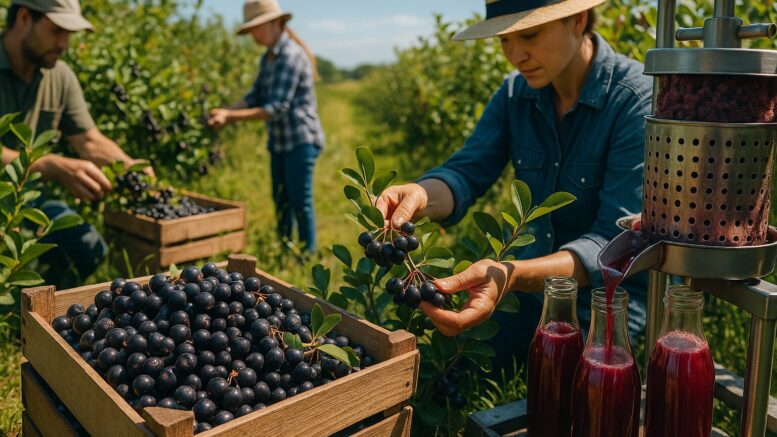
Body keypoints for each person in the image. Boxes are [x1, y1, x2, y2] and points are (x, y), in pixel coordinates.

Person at [376, 0, 652, 370]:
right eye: (505, 39)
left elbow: (612, 243)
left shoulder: (634, 100)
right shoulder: (514, 95)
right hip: (531, 291)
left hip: (608, 299)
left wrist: (510, 275)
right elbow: (466, 171)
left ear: (578, 20)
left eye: (530, 35)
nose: (515, 55)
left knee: (573, 387)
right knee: (453, 368)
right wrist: (421, 194)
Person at [0, 0, 153, 288]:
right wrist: (49, 166)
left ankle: (38, 308)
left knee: (88, 247)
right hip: (8, 196)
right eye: (57, 30)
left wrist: (129, 165)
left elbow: (89, 140)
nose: (64, 43)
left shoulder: (59, 75)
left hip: (29, 197)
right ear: (23, 17)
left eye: (69, 33)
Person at [208, 0, 324, 254]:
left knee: (300, 201)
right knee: (281, 199)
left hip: (300, 140)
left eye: (256, 27)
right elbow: (254, 96)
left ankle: (307, 256)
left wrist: (231, 117)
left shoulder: (290, 56)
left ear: (274, 23)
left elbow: (276, 107)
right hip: (280, 141)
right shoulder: (268, 58)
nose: (253, 35)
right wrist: (226, 111)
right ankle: (286, 250)